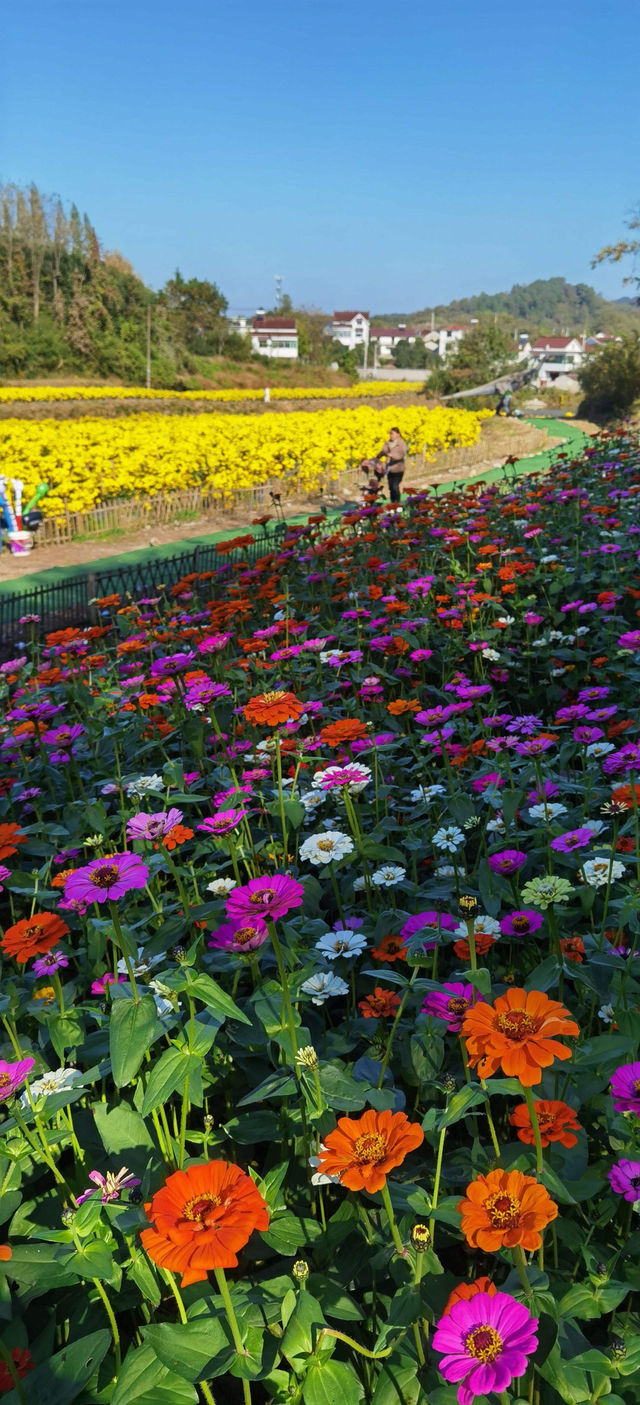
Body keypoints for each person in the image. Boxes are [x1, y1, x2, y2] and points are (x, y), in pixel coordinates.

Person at [376, 427, 407, 503]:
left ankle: (398, 502)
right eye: (390, 433)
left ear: (398, 434)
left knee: (395, 486)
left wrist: (392, 455)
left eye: (392, 433)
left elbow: (401, 455)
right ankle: (393, 503)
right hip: (390, 469)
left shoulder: (401, 444)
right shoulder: (388, 443)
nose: (390, 435)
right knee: (391, 487)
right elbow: (383, 451)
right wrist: (378, 457)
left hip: (398, 469)